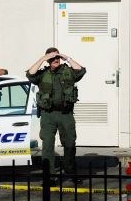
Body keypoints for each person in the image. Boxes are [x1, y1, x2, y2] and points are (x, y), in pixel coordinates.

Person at [26, 47, 86, 185]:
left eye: (57, 58)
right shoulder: (42, 74)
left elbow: (81, 70)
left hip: (66, 114)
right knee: (47, 145)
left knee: (70, 144)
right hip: (48, 115)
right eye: (52, 58)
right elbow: (30, 74)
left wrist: (67, 58)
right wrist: (43, 59)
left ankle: (70, 172)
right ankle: (50, 177)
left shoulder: (68, 72)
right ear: (48, 60)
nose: (55, 60)